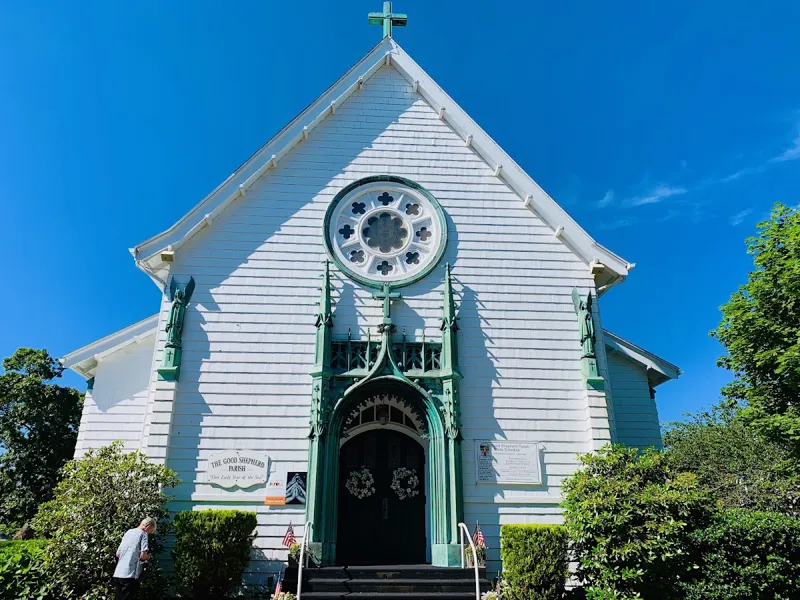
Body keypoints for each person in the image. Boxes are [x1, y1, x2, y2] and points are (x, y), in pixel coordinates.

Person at [113, 517, 156, 600]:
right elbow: (143, 555)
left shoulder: (128, 532)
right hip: (130, 574)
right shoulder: (143, 534)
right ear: (147, 526)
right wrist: (147, 557)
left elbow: (118, 554)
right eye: (150, 531)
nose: (149, 533)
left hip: (118, 573)